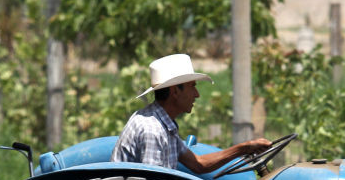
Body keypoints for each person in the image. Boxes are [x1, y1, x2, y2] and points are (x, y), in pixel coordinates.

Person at [111, 53, 271, 172]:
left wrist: (244, 148)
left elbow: (198, 164)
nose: (197, 94)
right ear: (175, 91)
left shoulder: (165, 126)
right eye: (192, 86)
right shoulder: (152, 130)